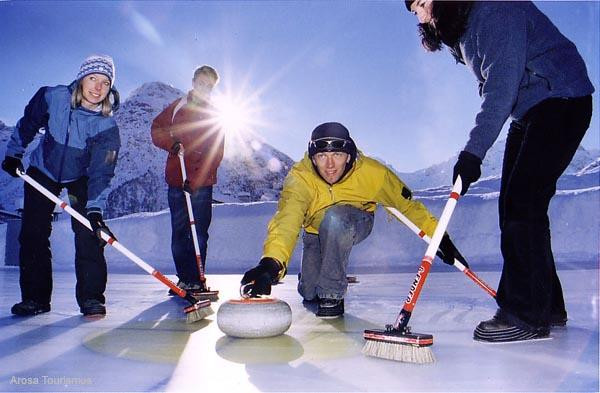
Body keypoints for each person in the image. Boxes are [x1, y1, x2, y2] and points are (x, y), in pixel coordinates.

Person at [406, 1, 594, 342]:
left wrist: (472, 154)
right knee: (513, 205)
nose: (419, 14)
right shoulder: (464, 28)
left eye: (422, 3)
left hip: (560, 98)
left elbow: (500, 90)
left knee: (524, 203)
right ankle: (547, 305)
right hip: (531, 109)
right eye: (414, 9)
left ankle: (525, 313)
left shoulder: (493, 12)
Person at [241, 122, 467, 318]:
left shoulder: (373, 173)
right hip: (314, 230)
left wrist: (440, 238)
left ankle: (332, 293)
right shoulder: (300, 178)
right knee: (309, 293)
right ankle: (313, 278)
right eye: (322, 156)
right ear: (313, 158)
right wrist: (271, 263)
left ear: (349, 155)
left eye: (337, 155)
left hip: (354, 220)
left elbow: (407, 206)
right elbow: (286, 220)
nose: (329, 165)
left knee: (336, 219)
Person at [2, 54, 121, 316]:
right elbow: (28, 124)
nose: (97, 87)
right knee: (33, 232)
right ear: (81, 78)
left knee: (89, 231)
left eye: (105, 82)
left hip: (80, 176)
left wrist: (95, 209)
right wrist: (13, 153)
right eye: (92, 78)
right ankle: (35, 298)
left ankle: (91, 298)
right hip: (43, 169)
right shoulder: (52, 97)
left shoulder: (106, 126)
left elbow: (102, 172)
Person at [151, 65, 224, 296]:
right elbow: (157, 129)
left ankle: (197, 278)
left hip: (201, 184)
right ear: (193, 82)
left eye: (209, 86)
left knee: (199, 231)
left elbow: (216, 151)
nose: (204, 88)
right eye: (201, 83)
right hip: (177, 179)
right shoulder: (178, 106)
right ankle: (184, 279)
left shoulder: (215, 114)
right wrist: (172, 144)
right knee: (180, 230)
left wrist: (198, 179)